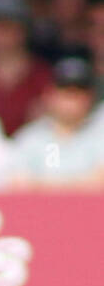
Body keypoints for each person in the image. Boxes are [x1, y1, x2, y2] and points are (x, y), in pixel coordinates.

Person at [7, 57, 104, 190]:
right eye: (65, 91)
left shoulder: (99, 135)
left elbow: (100, 182)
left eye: (78, 92)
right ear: (49, 94)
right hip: (41, 210)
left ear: (90, 97)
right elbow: (17, 183)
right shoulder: (31, 137)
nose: (72, 100)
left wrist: (42, 184)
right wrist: (80, 183)